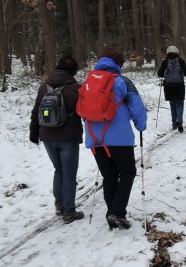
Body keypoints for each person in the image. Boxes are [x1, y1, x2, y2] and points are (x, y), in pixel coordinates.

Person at [83, 45, 148, 230]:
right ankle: (117, 212)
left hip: (95, 138)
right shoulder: (122, 82)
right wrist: (141, 125)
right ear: (119, 63)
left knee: (109, 176)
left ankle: (112, 216)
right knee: (127, 173)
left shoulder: (88, 81)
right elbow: (137, 107)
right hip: (119, 138)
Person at [29, 54, 84, 223]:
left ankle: (60, 204)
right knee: (69, 174)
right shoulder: (76, 88)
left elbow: (36, 111)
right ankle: (69, 211)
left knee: (58, 170)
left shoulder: (43, 87)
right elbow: (84, 112)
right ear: (73, 71)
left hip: (47, 136)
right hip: (68, 137)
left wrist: (34, 133)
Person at [156, 45, 186, 132]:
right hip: (179, 86)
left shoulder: (165, 61)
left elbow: (160, 73)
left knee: (172, 104)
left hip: (168, 86)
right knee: (179, 104)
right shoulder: (180, 60)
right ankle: (179, 120)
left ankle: (174, 124)